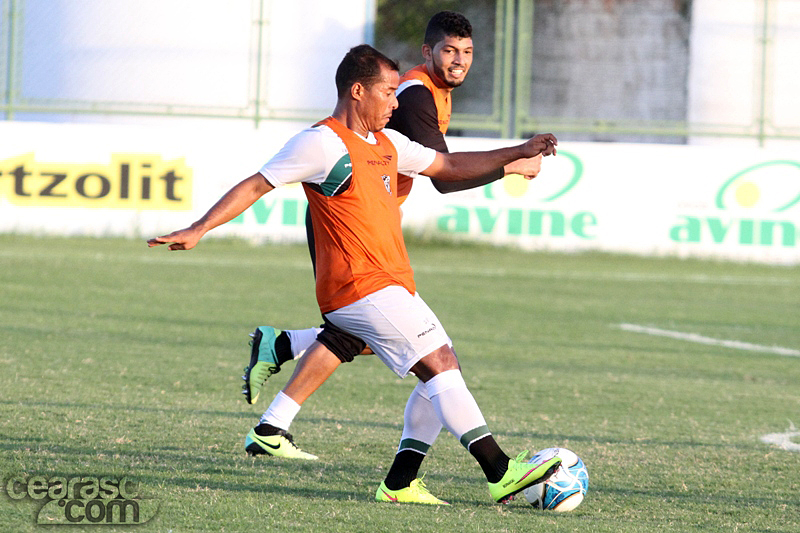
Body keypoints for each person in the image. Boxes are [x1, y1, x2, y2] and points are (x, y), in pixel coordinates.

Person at [149, 44, 560, 505]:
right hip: (357, 287)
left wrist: (517, 153)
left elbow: (448, 166)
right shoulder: (321, 143)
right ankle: (501, 472)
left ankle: (401, 483)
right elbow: (256, 183)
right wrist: (200, 228)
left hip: (391, 282)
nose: (396, 101)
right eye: (388, 92)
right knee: (441, 364)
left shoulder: (389, 144)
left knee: (441, 369)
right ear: (357, 91)